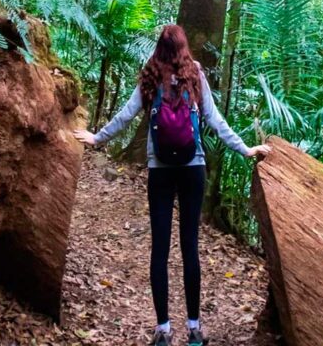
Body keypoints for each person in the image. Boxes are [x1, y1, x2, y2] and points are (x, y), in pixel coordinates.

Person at [74, 24, 270, 346]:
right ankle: (194, 330)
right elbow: (215, 120)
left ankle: (163, 330)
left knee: (160, 250)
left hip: (161, 171)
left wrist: (97, 138)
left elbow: (126, 114)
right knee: (190, 247)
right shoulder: (195, 75)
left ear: (159, 48)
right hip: (193, 168)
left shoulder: (151, 75)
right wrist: (245, 148)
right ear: (183, 46)